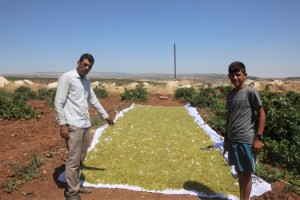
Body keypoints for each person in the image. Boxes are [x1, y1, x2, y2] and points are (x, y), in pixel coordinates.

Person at [55, 53, 114, 200]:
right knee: (73, 160)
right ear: (78, 62)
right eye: (85, 64)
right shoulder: (67, 77)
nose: (86, 68)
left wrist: (105, 116)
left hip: (85, 124)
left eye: (89, 66)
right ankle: (71, 193)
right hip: (73, 125)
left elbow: (93, 100)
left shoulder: (86, 81)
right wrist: (62, 124)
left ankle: (77, 183)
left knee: (81, 157)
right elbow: (58, 102)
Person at [223, 61, 266, 200]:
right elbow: (229, 116)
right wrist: (226, 138)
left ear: (245, 75)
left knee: (246, 174)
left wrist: (258, 138)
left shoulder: (250, 92)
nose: (235, 78)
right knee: (239, 171)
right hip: (233, 139)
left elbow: (262, 114)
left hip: (245, 140)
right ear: (228, 76)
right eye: (232, 75)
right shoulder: (230, 95)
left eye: (238, 74)